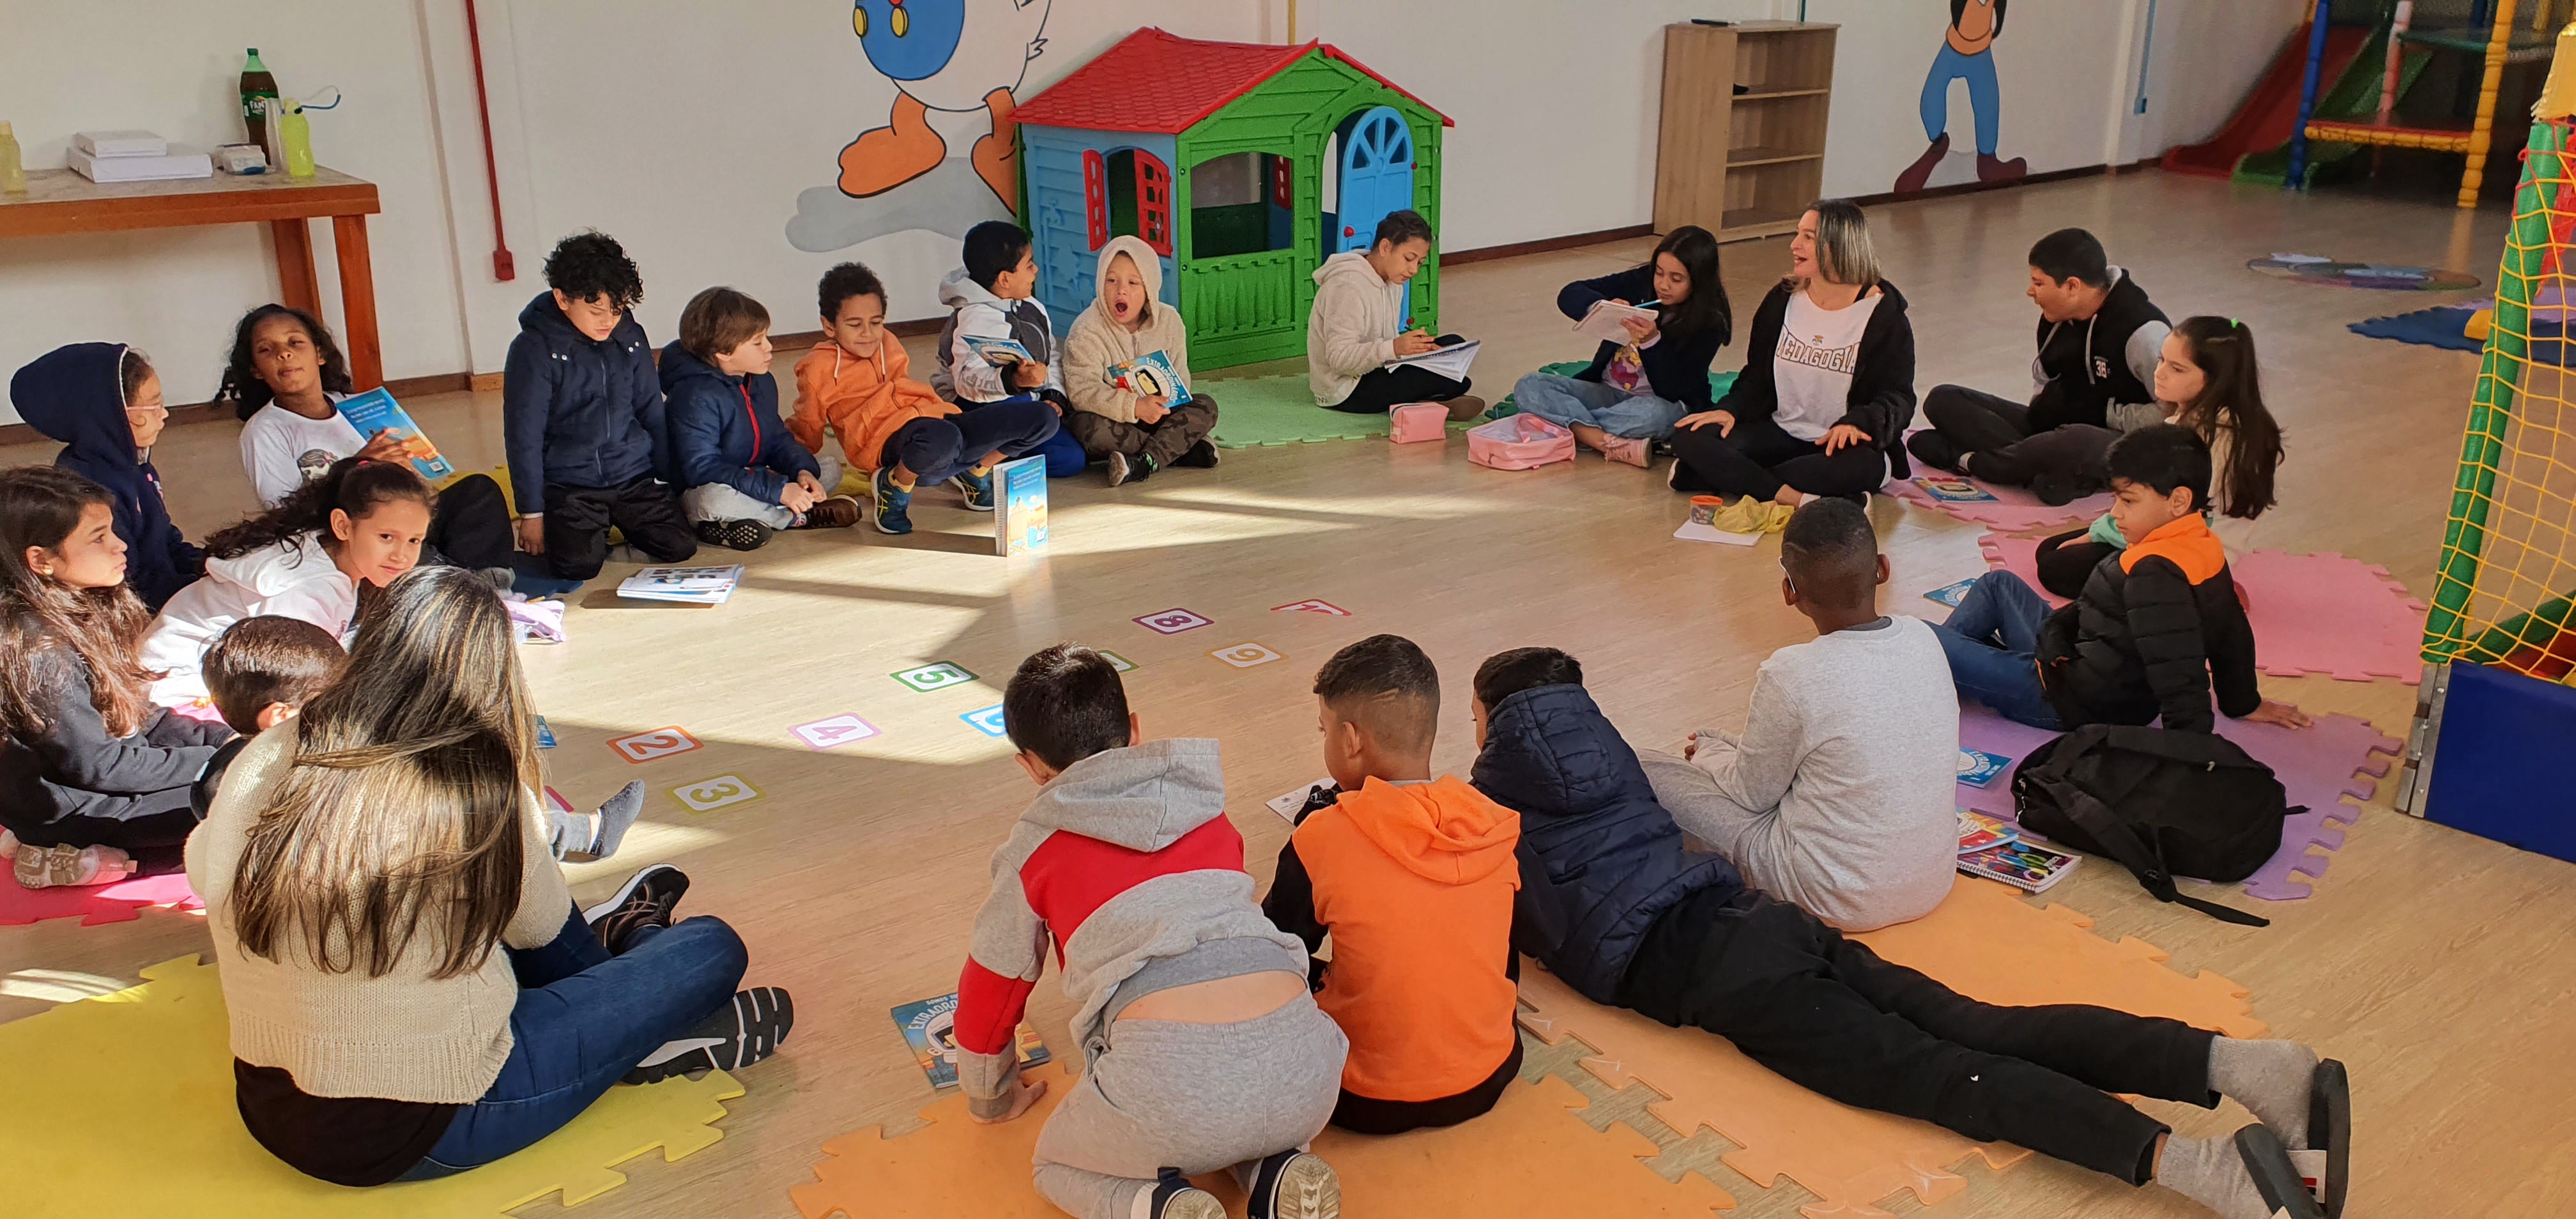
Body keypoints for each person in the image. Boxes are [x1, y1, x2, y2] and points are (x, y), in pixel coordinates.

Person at [1469, 647, 2346, 1219]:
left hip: (1729, 980)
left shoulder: (1492, 819)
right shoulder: (1619, 762)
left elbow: (1501, 930)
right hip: (1768, 925)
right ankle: (2243, 1064)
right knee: (1981, 1025)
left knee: (1944, 1077)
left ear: (1494, 728)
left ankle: (2204, 1171)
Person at [190, 565, 792, 1187]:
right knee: (711, 948)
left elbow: (202, 867)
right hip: (428, 1125)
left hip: (268, 1103)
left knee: (487, 925)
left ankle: (627, 974)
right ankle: (639, 994)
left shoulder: (270, 749)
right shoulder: (476, 778)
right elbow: (541, 931)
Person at [956, 645, 1346, 1219]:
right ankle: (1275, 1169)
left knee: (1055, 1165)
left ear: (1031, 767)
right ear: (1135, 731)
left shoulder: (1032, 853)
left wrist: (991, 1095)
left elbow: (993, 984)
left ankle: (1158, 1208)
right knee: (1239, 1109)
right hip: (1309, 1073)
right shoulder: (1210, 814)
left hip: (1167, 1080)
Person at [1639, 500, 1957, 931]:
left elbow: (1752, 796)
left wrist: (1710, 755)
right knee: (1770, 754)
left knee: (1643, 766)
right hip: (1933, 881)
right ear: (1882, 569)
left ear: (1790, 591)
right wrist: (1723, 748)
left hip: (1831, 896)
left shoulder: (1791, 672)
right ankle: (1721, 751)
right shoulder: (1924, 637)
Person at [1261, 635, 1522, 1135]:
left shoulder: (1320, 836)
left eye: (1325, 730)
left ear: (1351, 740)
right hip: (1491, 1072)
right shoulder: (1494, 823)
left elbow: (1273, 950)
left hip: (1363, 1098)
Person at [1933, 424, 2310, 733]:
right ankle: (1934, 678)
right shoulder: (2201, 542)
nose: (2115, 513)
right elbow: (2231, 630)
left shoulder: (2156, 574)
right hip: (2075, 659)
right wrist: (2244, 702)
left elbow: (2178, 670)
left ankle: (1925, 677)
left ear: (2178, 501)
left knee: (1917, 635)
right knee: (1999, 585)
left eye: (2128, 501)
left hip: (2068, 701)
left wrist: (2191, 750)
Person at [0, 466, 232, 888]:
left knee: (248, 771)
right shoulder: (39, 650)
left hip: (100, 776)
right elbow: (101, 767)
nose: (120, 545)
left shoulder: (77, 603)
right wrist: (227, 763)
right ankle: (63, 851)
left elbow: (138, 717)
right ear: (41, 560)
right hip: (71, 806)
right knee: (261, 802)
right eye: (98, 538)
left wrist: (227, 741)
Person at [218, 303, 517, 576]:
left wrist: (406, 466)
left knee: (478, 492)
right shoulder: (265, 430)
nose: (284, 354)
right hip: (349, 541)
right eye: (266, 350)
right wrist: (360, 465)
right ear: (256, 370)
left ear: (320, 354)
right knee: (392, 543)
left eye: (295, 342)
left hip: (398, 518)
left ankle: (485, 584)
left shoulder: (358, 407)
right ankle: (448, 582)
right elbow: (287, 517)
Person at [1667, 201, 1917, 505]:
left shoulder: (1884, 315)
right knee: (1688, 435)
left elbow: (1898, 398)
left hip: (1838, 446)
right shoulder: (1782, 299)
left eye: (1808, 237)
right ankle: (1794, 497)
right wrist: (1730, 409)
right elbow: (1756, 378)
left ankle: (1725, 477)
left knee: (1862, 466)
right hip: (1779, 432)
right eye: (1798, 234)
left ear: (1839, 245)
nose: (1794, 244)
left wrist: (1858, 423)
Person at [141, 457, 431, 708]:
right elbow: (291, 680)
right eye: (386, 537)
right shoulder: (303, 590)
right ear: (342, 526)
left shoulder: (328, 554)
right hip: (177, 694)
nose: (402, 555)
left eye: (414, 540)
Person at [2030, 316, 2287, 598]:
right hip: (2176, 534)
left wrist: (2100, 533)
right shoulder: (2199, 420)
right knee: (2050, 551)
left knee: (2055, 567)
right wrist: (2098, 532)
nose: (2159, 373)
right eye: (2162, 360)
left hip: (2190, 553)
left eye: (2177, 369)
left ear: (2215, 380)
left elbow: (2166, 514)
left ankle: (2198, 593)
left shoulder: (2212, 439)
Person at [1906, 228, 2170, 501]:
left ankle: (1969, 460)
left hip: (2123, 442)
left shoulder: (2143, 333)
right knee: (1942, 400)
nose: (2030, 291)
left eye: (2039, 283)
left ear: (2072, 286)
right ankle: (2046, 471)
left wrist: (2106, 414)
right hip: (2059, 428)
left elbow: (2175, 416)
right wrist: (2045, 408)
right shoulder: (2054, 319)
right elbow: (2043, 384)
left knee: (2071, 441)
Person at [502, 231, 697, 582]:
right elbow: (524, 435)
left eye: (617, 310)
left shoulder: (629, 336)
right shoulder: (534, 349)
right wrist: (532, 513)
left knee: (680, 545)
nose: (608, 320)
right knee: (578, 566)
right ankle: (592, 533)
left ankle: (608, 532)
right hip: (570, 484)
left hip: (632, 475)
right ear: (562, 299)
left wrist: (667, 478)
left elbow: (651, 409)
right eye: (596, 311)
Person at [1510, 225, 1733, 467]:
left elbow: (1673, 390)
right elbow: (1570, 293)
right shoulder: (1642, 283)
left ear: (1698, 281)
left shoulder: (1710, 321)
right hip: (1607, 391)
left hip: (1661, 402)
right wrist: (1601, 307)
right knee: (1530, 385)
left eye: (1676, 279)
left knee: (1655, 416)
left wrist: (1651, 342)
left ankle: (1565, 424)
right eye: (1659, 273)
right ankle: (1603, 441)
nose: (1663, 285)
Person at [659, 286, 859, 552]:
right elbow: (702, 468)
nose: (769, 347)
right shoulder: (694, 396)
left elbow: (776, 439)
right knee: (713, 501)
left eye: (766, 337)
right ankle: (796, 517)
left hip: (755, 476)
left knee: (829, 468)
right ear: (723, 352)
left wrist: (802, 472)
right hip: (706, 488)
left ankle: (743, 521)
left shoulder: (761, 381)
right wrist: (778, 491)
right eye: (757, 342)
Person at [10, 342, 203, 610]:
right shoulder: (88, 489)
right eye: (153, 406)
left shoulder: (136, 466)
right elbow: (128, 582)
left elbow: (164, 537)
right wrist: (198, 591)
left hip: (170, 593)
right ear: (110, 418)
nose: (164, 414)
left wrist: (209, 565)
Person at [1061, 236, 1222, 487]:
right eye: (1111, 281)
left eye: (1133, 283)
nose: (1121, 290)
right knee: (1086, 427)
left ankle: (1142, 463)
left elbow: (1182, 380)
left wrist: (1160, 407)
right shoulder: (1086, 330)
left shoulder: (1170, 321)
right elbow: (1082, 393)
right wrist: (1134, 407)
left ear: (1149, 288)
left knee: (1206, 406)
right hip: (1115, 421)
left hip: (1161, 416)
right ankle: (1178, 450)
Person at [935, 220, 1089, 479]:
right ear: (1005, 279)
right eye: (1029, 265)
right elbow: (965, 383)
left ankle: (983, 456)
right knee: (1024, 408)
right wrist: (1013, 380)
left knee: (1071, 459)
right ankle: (972, 457)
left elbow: (1050, 355)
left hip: (1028, 406)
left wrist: (1054, 395)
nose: (1036, 270)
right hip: (974, 408)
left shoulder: (1031, 306)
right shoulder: (972, 318)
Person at [1308, 210, 1485, 419]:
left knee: (1454, 344)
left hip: (1377, 368)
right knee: (1454, 380)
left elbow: (1388, 342)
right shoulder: (1347, 287)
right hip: (1345, 389)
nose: (1414, 270)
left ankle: (1424, 403)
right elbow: (1340, 360)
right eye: (1409, 259)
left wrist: (1417, 349)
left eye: (1419, 262)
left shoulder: (1392, 280)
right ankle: (1427, 403)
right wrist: (1395, 348)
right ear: (1385, 247)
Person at [188, 615, 344, 818]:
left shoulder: (227, 762)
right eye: (331, 700)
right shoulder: (285, 789)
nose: (341, 706)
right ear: (281, 716)